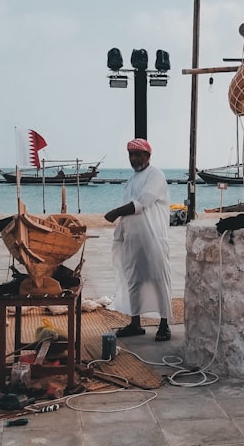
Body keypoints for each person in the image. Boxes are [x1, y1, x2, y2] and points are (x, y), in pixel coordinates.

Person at [104, 138, 173, 341]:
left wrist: (115, 212)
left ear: (148, 156)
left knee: (158, 279)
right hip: (132, 240)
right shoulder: (133, 179)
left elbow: (141, 203)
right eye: (131, 155)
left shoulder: (156, 175)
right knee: (133, 279)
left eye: (137, 155)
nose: (134, 159)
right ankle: (135, 323)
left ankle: (164, 324)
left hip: (153, 239)